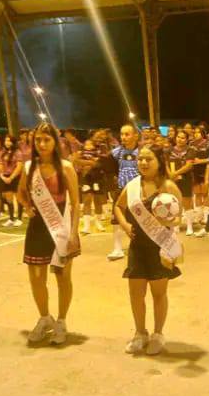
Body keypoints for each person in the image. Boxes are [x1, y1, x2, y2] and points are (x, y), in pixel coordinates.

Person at [114, 146, 183, 356]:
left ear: (159, 161)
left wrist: (168, 221)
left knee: (158, 293)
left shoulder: (168, 186)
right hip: (137, 246)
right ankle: (140, 333)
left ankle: (158, 334)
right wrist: (125, 225)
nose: (143, 163)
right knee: (136, 293)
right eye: (140, 159)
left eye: (148, 159)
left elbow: (179, 217)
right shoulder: (133, 185)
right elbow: (118, 207)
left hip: (160, 246)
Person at [17, 123, 80, 345]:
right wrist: (27, 206)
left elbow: (76, 203)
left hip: (61, 227)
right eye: (38, 140)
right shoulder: (29, 168)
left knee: (63, 277)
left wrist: (73, 234)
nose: (42, 144)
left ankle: (61, 321)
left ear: (56, 142)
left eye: (47, 139)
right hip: (37, 228)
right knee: (36, 278)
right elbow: (20, 193)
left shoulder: (66, 167)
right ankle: (45, 318)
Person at [108, 125, 140, 260]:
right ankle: (117, 249)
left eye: (127, 134)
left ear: (136, 136)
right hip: (121, 189)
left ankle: (139, 245)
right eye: (122, 134)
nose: (123, 137)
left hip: (138, 190)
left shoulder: (142, 152)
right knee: (116, 219)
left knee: (139, 218)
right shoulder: (116, 152)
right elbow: (112, 169)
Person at [75, 135, 110, 234]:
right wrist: (90, 162)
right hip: (86, 179)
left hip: (97, 179)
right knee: (87, 200)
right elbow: (77, 162)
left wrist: (88, 163)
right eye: (86, 144)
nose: (88, 146)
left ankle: (98, 223)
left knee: (98, 201)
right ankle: (86, 226)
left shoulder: (99, 152)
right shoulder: (80, 153)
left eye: (90, 144)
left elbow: (99, 164)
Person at [167, 130, 197, 235]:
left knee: (187, 203)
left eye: (183, 138)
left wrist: (175, 173)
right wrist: (170, 174)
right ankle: (176, 225)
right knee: (174, 202)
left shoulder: (190, 150)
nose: (180, 139)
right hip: (172, 180)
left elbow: (189, 165)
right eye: (178, 137)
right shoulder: (169, 150)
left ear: (187, 140)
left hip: (186, 179)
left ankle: (189, 226)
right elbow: (165, 163)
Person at [0, 135, 24, 227]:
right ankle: (11, 218)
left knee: (18, 198)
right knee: (8, 199)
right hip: (5, 177)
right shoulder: (4, 152)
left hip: (15, 177)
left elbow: (19, 166)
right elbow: (1, 165)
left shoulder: (18, 152)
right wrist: (2, 176)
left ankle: (19, 218)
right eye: (6, 140)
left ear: (13, 142)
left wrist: (11, 178)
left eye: (9, 141)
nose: (7, 142)